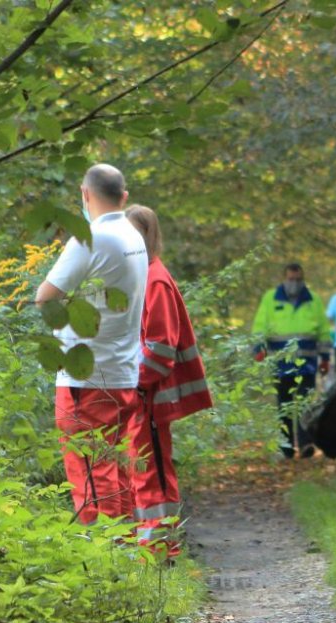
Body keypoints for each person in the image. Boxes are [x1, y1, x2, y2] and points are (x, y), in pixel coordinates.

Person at [36, 164, 148, 524]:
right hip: (123, 373)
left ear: (85, 194)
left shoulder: (89, 238)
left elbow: (45, 298)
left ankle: (108, 561)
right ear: (124, 197)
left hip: (87, 378)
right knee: (115, 471)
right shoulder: (134, 237)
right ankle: (132, 554)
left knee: (92, 476)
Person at [125, 205, 213, 557]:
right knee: (141, 471)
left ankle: (162, 552)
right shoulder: (140, 276)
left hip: (148, 398)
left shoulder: (154, 279)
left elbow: (160, 349)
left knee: (154, 475)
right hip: (139, 396)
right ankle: (150, 548)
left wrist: (133, 384)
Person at [251, 263, 330, 459]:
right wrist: (258, 348)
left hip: (307, 364)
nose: (294, 283)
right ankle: (286, 447)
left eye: (298, 279)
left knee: (304, 406)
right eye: (291, 279)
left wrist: (326, 358)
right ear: (284, 278)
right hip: (281, 365)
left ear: (302, 279)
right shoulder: (271, 299)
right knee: (284, 406)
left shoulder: (314, 301)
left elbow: (323, 332)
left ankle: (305, 444)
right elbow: (260, 326)